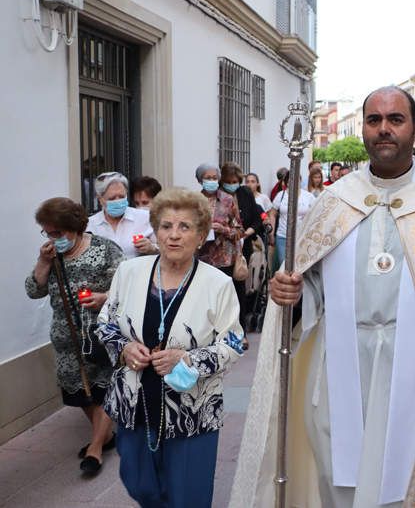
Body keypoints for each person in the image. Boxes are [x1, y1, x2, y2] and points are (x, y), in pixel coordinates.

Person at [230, 86, 415, 507]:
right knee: (337, 471)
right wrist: (293, 290)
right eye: (374, 121)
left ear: (414, 128)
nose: (384, 130)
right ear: (363, 129)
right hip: (341, 359)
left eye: (395, 119)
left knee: (406, 474)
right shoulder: (337, 203)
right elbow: (312, 281)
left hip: (413, 368)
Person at [97, 188, 244, 506]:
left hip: (191, 410)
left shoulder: (218, 283)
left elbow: (233, 342)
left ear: (201, 234)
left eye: (184, 227)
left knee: (187, 495)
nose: (173, 236)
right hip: (134, 402)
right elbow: (105, 323)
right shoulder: (129, 272)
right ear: (156, 230)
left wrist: (187, 359)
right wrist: (123, 349)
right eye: (166, 226)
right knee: (139, 484)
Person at [26, 197, 124, 476]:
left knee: (104, 388)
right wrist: (43, 262)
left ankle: (95, 448)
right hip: (66, 338)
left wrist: (103, 297)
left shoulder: (105, 249)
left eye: (59, 232)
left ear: (76, 227)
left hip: (101, 332)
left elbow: (126, 285)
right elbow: (33, 290)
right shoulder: (50, 254)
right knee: (81, 392)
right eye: (48, 232)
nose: (53, 238)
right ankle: (105, 437)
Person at [221, 161, 264, 346]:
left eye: (235, 180)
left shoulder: (245, 193)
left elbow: (257, 219)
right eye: (229, 181)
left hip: (241, 250)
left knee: (239, 291)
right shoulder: (218, 196)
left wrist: (248, 232)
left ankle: (240, 332)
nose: (232, 184)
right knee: (222, 293)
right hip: (220, 253)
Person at [88, 172, 156, 259]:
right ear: (100, 199)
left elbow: (164, 249)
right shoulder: (90, 225)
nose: (118, 201)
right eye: (112, 198)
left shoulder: (144, 217)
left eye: (121, 196)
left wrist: (152, 248)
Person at [195, 163, 243, 276]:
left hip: (224, 260)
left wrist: (224, 230)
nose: (212, 181)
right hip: (201, 258)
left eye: (214, 178)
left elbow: (240, 231)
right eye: (208, 178)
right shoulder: (193, 201)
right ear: (200, 180)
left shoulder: (227, 200)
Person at [268, 172, 316, 271]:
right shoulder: (280, 195)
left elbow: (315, 215)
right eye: (290, 180)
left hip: (302, 237)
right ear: (287, 183)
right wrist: (271, 233)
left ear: (300, 181)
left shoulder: (309, 196)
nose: (294, 182)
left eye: (296, 180)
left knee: (300, 266)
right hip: (283, 236)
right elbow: (272, 214)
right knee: (284, 265)